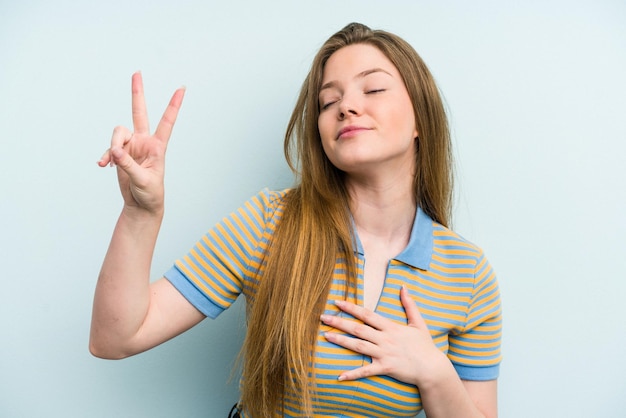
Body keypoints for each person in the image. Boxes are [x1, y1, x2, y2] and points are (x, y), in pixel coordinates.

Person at [91, 22, 502, 418]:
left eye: (373, 88)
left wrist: (434, 371)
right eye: (328, 102)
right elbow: (116, 337)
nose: (347, 107)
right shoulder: (269, 222)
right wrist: (140, 214)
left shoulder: (469, 275)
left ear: (421, 118)